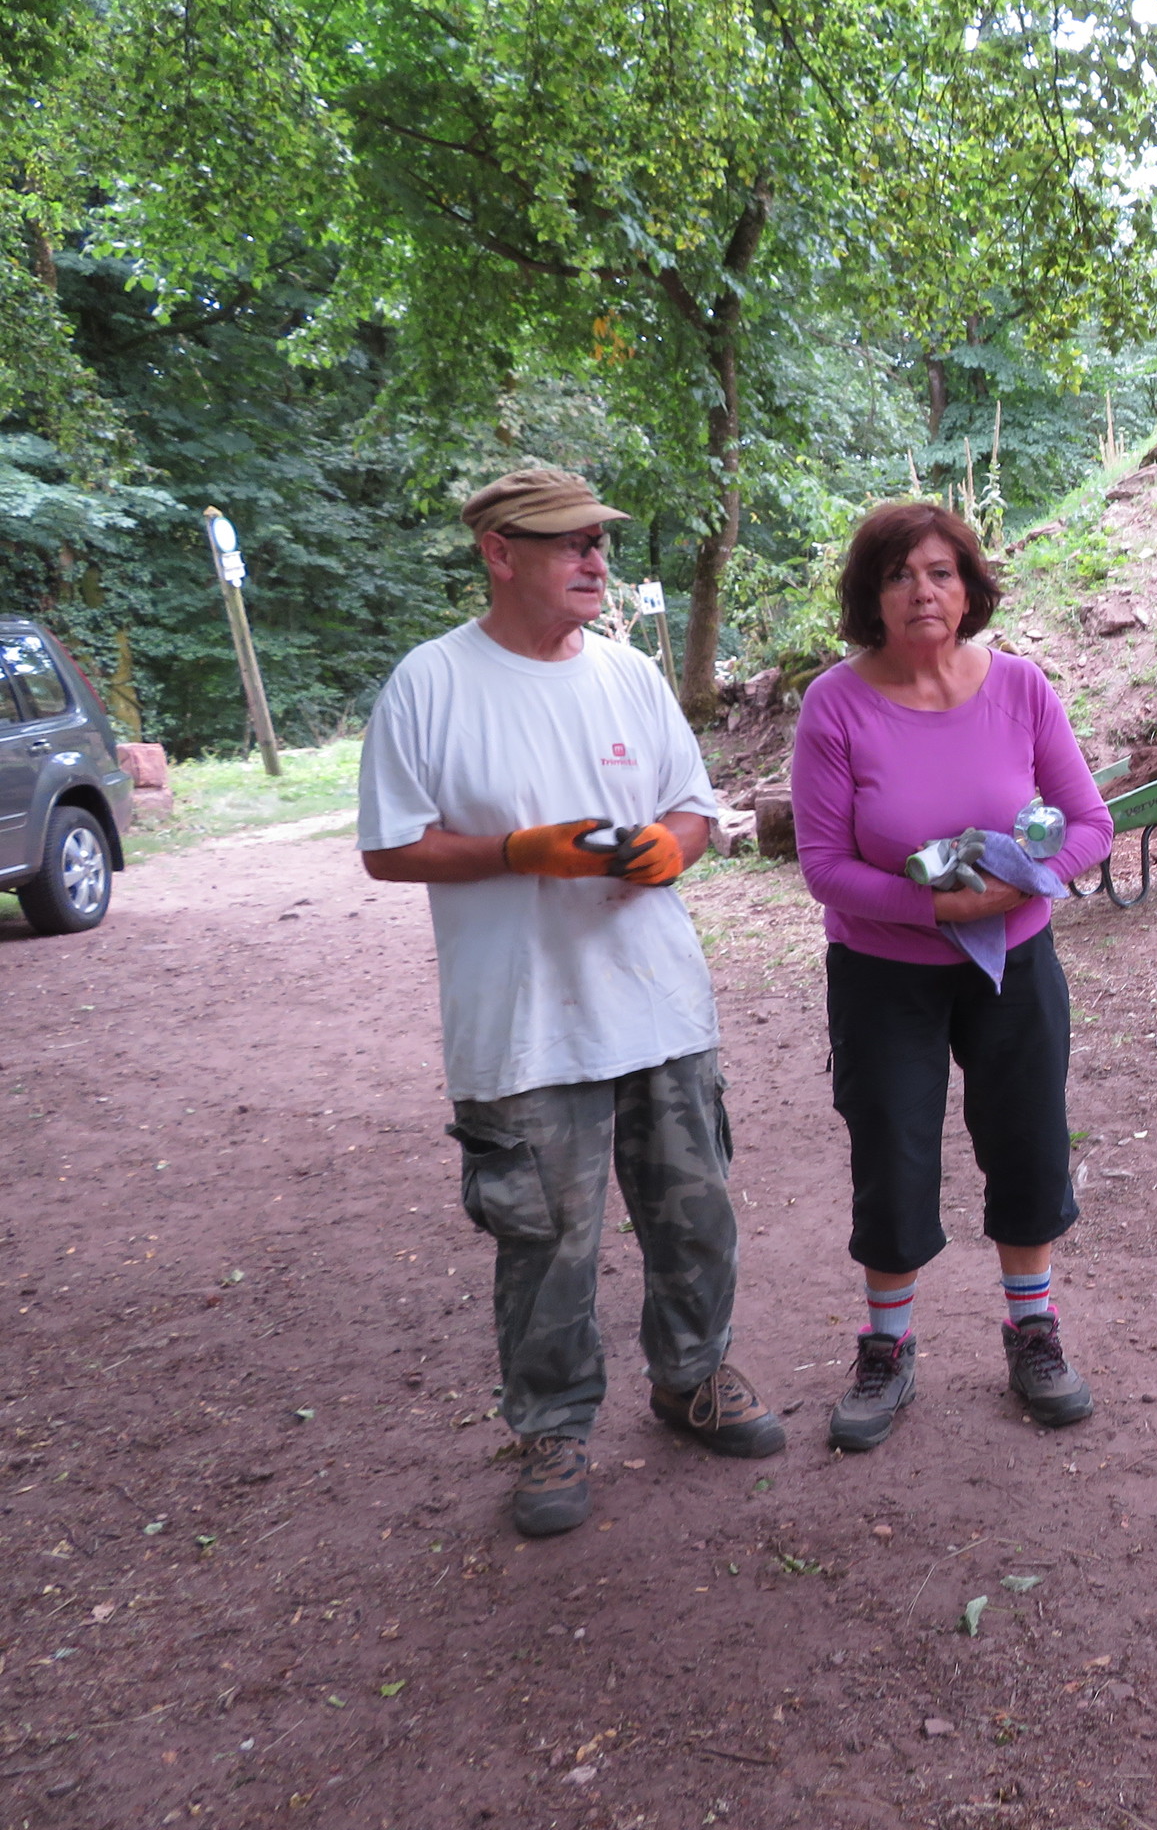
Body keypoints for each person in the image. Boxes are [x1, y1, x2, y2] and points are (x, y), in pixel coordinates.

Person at [357, 465, 784, 1539]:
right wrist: (516, 852)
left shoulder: (629, 676)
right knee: (546, 1243)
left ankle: (694, 1376)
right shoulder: (431, 683)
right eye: (570, 543)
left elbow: (692, 808)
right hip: (522, 1025)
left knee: (696, 1215)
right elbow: (389, 847)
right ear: (500, 553)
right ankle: (552, 1429)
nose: (596, 560)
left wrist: (670, 848)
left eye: (600, 540)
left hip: (658, 1005)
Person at [790, 499, 1114, 1453]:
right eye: (899, 575)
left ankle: (1033, 1331)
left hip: (1015, 961)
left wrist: (1026, 883)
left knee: (1028, 1138)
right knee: (891, 1150)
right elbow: (824, 867)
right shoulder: (836, 705)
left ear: (969, 588)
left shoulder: (1020, 687)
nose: (922, 591)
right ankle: (886, 1348)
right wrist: (934, 908)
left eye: (940, 572)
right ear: (871, 596)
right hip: (883, 970)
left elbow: (1090, 823)